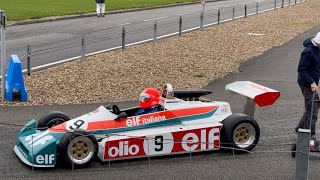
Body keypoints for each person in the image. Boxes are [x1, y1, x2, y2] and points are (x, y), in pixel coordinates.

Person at [295, 32, 320, 139]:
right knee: (313, 110)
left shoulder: (317, 49)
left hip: (312, 82)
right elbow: (301, 69)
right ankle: (309, 136)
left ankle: (300, 128)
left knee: (314, 105)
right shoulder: (308, 52)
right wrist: (311, 82)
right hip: (306, 84)